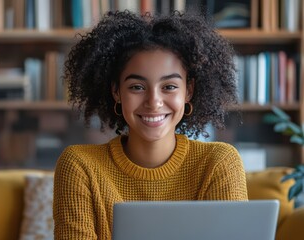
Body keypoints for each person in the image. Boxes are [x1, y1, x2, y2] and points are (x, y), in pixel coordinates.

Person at [53, 10, 248, 240]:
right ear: (117, 91)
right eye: (137, 86)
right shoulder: (80, 166)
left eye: (169, 86)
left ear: (189, 91)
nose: (154, 102)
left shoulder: (220, 163)